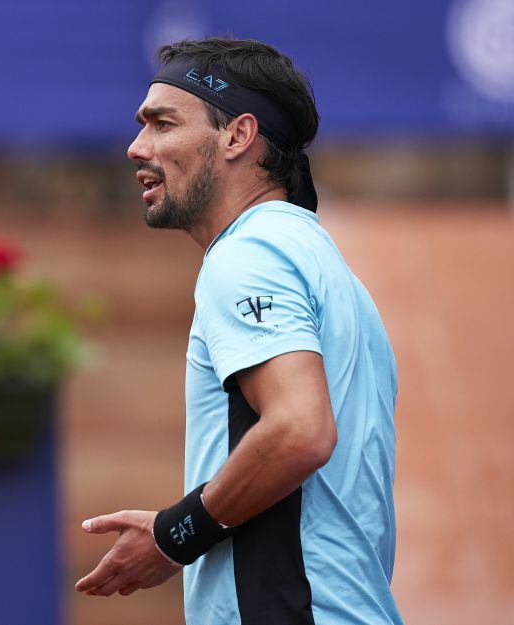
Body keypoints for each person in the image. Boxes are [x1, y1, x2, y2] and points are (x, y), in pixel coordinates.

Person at [75, 38, 403, 625]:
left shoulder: (249, 254)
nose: (136, 147)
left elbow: (300, 431)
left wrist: (174, 536)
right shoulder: (313, 256)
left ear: (237, 135)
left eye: (162, 124)